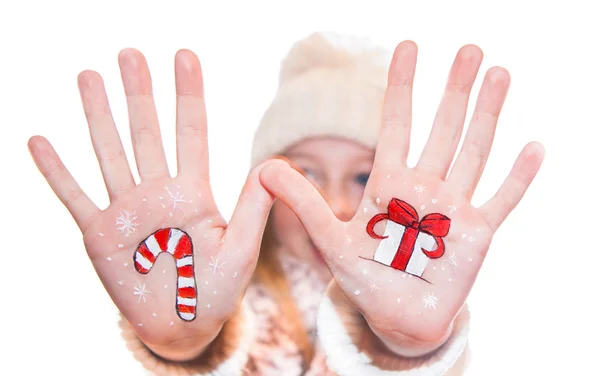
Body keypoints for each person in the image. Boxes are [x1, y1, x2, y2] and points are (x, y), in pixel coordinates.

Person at [28, 31, 544, 375]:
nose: (334, 199)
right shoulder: (230, 300)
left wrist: (401, 347)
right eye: (303, 173)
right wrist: (188, 347)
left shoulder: (417, 294)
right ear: (269, 186)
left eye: (364, 175)